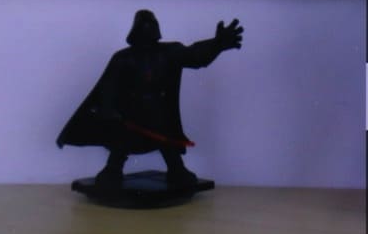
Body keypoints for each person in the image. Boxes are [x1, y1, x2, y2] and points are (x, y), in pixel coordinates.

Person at [57, 10, 243, 188]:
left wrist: (218, 43)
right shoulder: (123, 58)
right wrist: (109, 110)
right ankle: (112, 171)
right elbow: (108, 88)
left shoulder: (170, 52)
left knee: (167, 142)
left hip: (160, 116)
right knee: (120, 144)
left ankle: (177, 171)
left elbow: (194, 55)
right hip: (130, 117)